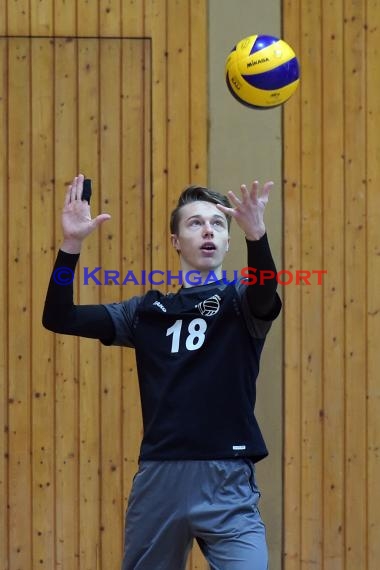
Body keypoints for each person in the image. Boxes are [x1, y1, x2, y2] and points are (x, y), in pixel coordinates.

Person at [43, 173, 282, 570]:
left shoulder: (241, 301)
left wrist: (256, 236)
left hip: (227, 480)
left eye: (218, 224)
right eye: (195, 223)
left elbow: (264, 293)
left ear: (227, 240)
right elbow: (58, 316)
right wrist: (71, 246)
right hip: (160, 477)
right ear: (175, 241)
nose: (208, 231)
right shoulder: (143, 313)